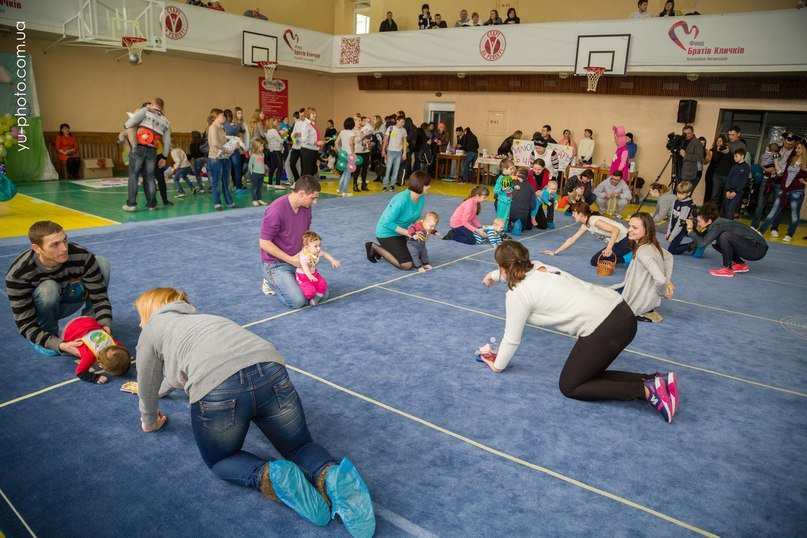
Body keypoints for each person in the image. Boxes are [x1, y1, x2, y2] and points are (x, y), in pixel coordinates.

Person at [133, 287, 375, 536]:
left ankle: (271, 475)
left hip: (217, 390)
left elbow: (146, 381)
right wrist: (164, 389)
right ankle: (331, 475)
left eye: (141, 317)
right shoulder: (205, 320)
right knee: (300, 446)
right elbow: (181, 368)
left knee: (221, 460)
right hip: (270, 370)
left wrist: (149, 420)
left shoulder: (152, 330)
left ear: (152, 312)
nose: (140, 325)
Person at [480, 241, 678, 423]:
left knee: (571, 386)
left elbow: (511, 340)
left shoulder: (517, 295)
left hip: (607, 327)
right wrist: (493, 276)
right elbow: (514, 270)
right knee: (588, 373)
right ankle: (655, 380)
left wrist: (497, 365)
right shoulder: (540, 266)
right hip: (622, 313)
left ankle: (644, 390)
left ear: (503, 267)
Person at [6, 221, 111, 357]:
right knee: (48, 289)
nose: (64, 248)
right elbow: (25, 324)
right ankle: (48, 333)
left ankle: (90, 327)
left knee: (101, 263)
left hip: (69, 294)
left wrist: (105, 324)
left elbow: (100, 298)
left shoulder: (82, 256)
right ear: (37, 248)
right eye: (54, 245)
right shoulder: (18, 274)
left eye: (65, 240)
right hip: (42, 307)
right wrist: (59, 345)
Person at [260, 175, 324, 308]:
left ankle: (291, 282)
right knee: (298, 301)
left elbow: (305, 236)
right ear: (301, 193)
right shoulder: (276, 210)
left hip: (298, 260)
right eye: (313, 197)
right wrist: (291, 260)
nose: (315, 202)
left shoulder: (306, 208)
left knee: (322, 293)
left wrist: (308, 252)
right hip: (276, 264)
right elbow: (264, 243)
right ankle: (269, 280)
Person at [611, 213, 674, 323]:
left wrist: (664, 292)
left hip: (641, 298)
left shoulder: (643, 251)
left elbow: (660, 280)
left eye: (635, 227)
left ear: (646, 230)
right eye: (629, 225)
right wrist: (668, 280)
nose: (629, 230)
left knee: (599, 298)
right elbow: (669, 257)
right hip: (647, 295)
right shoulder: (652, 244)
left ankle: (642, 309)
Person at [365, 172, 430, 270]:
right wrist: (409, 233)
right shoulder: (401, 200)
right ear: (420, 185)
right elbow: (386, 223)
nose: (429, 187)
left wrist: (424, 229)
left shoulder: (421, 198)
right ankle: (374, 247)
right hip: (386, 233)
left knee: (418, 258)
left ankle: (388, 250)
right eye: (427, 185)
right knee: (407, 265)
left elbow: (416, 218)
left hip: (400, 232)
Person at [686, 202, 768, 277]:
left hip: (758, 250)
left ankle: (727, 269)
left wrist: (690, 229)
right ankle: (740, 264)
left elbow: (702, 243)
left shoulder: (719, 225)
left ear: (709, 221)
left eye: (700, 222)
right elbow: (702, 239)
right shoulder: (716, 223)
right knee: (718, 244)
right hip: (754, 247)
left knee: (724, 236)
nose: (698, 224)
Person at [543, 201, 632, 266]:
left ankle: (627, 256)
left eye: (574, 213)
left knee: (595, 261)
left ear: (581, 214)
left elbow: (615, 230)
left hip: (626, 240)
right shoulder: (586, 224)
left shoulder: (594, 221)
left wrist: (609, 248)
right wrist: (555, 252)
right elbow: (572, 239)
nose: (572, 215)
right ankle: (624, 255)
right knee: (595, 261)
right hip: (618, 242)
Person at [123, 98, 172, 212]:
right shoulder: (166, 121)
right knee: (150, 177)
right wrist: (164, 157)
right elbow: (167, 142)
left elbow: (130, 123)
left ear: (153, 104)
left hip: (139, 147)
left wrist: (126, 126)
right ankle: (152, 204)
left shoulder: (145, 110)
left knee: (133, 175)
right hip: (153, 150)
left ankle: (131, 204)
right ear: (162, 107)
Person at [757, 140, 806, 242]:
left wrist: (805, 182)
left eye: (799, 148)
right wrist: (776, 161)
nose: (796, 150)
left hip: (797, 192)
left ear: (804, 150)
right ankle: (761, 231)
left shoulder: (806, 163)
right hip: (784, 190)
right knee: (773, 211)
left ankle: (789, 234)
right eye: (796, 148)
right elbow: (780, 173)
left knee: (794, 215)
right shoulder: (791, 160)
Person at [61, 316, 130, 383]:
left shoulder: (115, 344)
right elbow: (80, 372)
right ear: (101, 365)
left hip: (88, 319)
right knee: (67, 350)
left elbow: (123, 352)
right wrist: (95, 378)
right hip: (69, 329)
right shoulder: (89, 356)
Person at [754, 132, 798, 234]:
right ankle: (754, 226)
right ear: (784, 140)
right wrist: (766, 169)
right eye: (786, 142)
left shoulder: (794, 154)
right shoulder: (776, 149)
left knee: (778, 206)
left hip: (781, 182)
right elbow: (763, 162)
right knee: (760, 204)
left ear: (794, 143)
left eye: (790, 143)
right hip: (768, 179)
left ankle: (774, 228)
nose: (788, 145)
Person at [295, 230, 340, 306]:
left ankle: (316, 299)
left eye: (319, 245)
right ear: (307, 247)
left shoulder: (317, 252)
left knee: (323, 284)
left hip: (314, 274)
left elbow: (325, 254)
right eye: (316, 246)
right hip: (303, 276)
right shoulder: (304, 256)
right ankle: (299, 285)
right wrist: (309, 275)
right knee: (310, 292)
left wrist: (332, 260)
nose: (319, 248)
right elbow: (305, 266)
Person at [206, 108, 235, 211]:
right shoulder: (213, 127)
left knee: (226, 181)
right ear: (216, 117)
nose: (224, 117)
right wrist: (227, 150)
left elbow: (222, 140)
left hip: (224, 157)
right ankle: (217, 203)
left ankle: (230, 202)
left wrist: (231, 142)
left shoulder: (222, 127)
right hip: (215, 157)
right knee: (217, 182)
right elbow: (215, 143)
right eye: (222, 115)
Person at [666, 181, 696, 254]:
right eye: (678, 193)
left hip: (682, 229)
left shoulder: (686, 206)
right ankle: (677, 243)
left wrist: (672, 236)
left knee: (671, 251)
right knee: (672, 244)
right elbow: (672, 217)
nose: (679, 196)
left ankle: (691, 245)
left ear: (688, 193)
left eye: (682, 194)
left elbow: (680, 224)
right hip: (675, 226)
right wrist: (668, 231)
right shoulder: (677, 201)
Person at [721, 148, 750, 219]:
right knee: (726, 209)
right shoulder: (734, 166)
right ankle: (725, 225)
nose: (734, 158)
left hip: (737, 192)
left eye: (736, 156)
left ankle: (728, 227)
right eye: (734, 156)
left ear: (742, 156)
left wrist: (736, 191)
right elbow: (728, 178)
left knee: (730, 209)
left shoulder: (746, 167)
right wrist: (727, 190)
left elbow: (744, 181)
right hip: (729, 190)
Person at [381, 115, 408, 192]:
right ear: (397, 121)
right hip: (390, 152)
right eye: (402, 122)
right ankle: (385, 185)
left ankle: (392, 185)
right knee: (388, 169)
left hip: (399, 152)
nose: (403, 123)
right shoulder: (390, 128)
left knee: (396, 170)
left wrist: (404, 153)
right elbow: (385, 140)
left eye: (404, 122)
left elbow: (404, 142)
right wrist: (383, 150)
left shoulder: (404, 130)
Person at [336, 117, 357, 197]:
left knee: (345, 172)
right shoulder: (352, 133)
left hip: (343, 154)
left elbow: (336, 142)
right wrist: (352, 154)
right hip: (349, 155)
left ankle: (339, 188)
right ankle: (345, 191)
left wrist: (339, 151)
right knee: (348, 173)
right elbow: (351, 143)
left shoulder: (342, 132)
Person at [299, 107, 321, 178]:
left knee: (311, 171)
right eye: (313, 113)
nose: (315, 115)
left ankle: (309, 188)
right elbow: (304, 139)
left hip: (313, 150)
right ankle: (304, 188)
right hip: (307, 151)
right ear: (308, 114)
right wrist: (316, 143)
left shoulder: (312, 124)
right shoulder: (305, 124)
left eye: (315, 114)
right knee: (306, 172)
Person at [265, 117, 285, 190]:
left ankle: (270, 183)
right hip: (276, 149)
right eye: (275, 121)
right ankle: (277, 184)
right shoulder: (273, 131)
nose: (276, 122)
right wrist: (284, 136)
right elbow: (281, 141)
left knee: (273, 166)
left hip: (271, 150)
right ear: (271, 123)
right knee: (280, 165)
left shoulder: (267, 131)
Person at [248, 139, 268, 207]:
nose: (262, 148)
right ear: (256, 147)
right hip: (255, 174)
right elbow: (250, 165)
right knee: (255, 188)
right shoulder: (253, 156)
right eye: (260, 147)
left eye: (262, 146)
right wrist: (251, 174)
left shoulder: (263, 155)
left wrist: (264, 171)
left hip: (261, 174)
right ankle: (254, 200)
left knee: (260, 188)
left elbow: (262, 164)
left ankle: (259, 199)